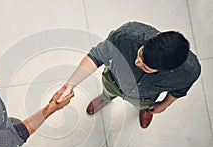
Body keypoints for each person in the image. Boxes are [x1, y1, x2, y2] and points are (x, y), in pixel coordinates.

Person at [57, 21, 201, 128]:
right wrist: (70, 85)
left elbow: (179, 90)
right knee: (108, 91)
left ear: (171, 70)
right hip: (113, 80)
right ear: (156, 36)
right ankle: (106, 98)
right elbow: (97, 55)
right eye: (140, 54)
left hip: (145, 97)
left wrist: (164, 105)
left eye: (145, 67)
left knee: (144, 105)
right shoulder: (128, 35)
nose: (137, 62)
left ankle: (145, 110)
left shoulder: (189, 72)